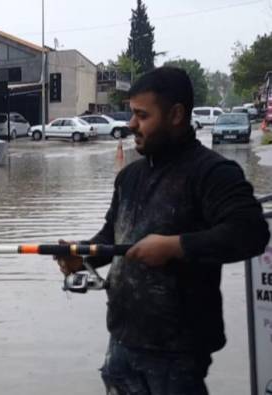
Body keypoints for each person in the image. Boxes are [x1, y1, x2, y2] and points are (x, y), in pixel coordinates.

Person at [56, 67, 270, 395]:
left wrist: (175, 246)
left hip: (178, 354)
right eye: (131, 114)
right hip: (122, 343)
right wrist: (80, 254)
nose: (131, 125)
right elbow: (111, 239)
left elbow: (251, 232)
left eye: (142, 115)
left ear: (176, 115)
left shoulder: (212, 172)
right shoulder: (129, 178)